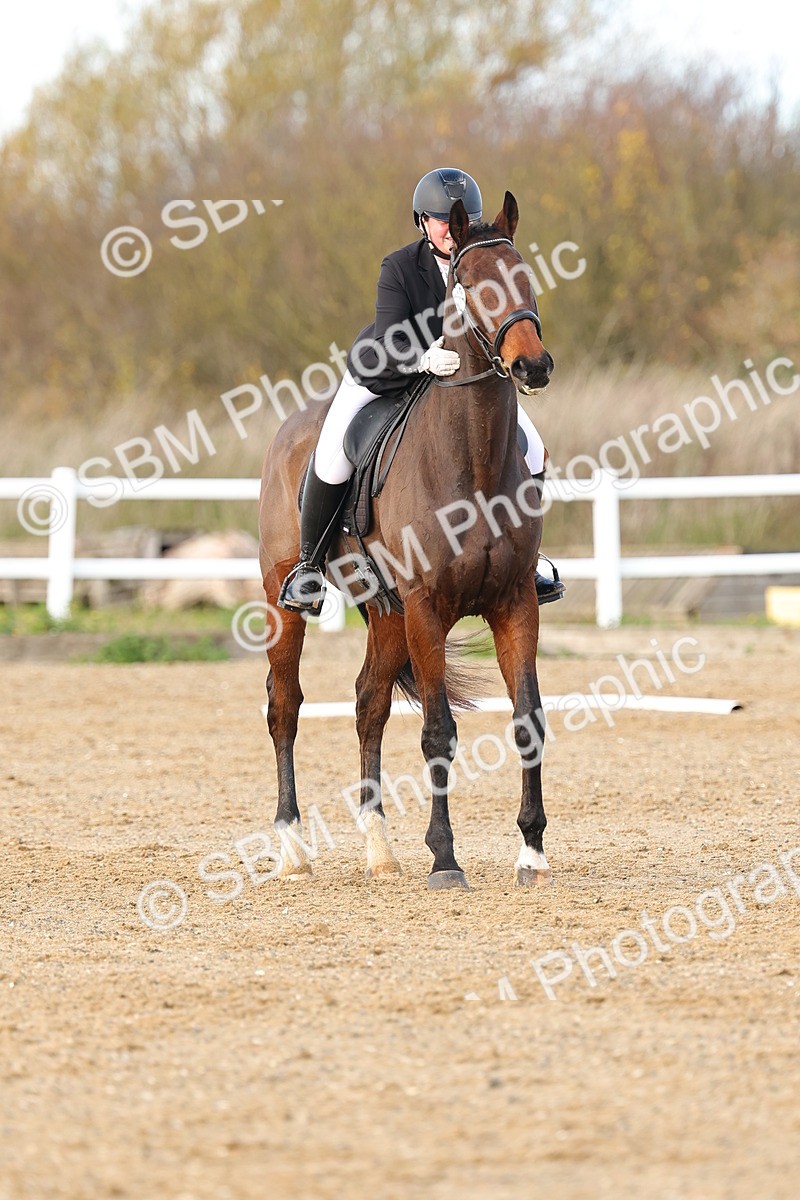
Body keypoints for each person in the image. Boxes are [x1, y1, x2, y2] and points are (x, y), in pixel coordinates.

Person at [278, 167, 565, 612]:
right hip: (386, 372)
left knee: (534, 451)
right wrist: (422, 359)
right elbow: (389, 338)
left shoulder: (486, 264)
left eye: (461, 220)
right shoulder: (399, 267)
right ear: (423, 222)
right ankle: (309, 567)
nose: (452, 230)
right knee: (333, 453)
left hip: (460, 382)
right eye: (442, 221)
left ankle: (528, 559)